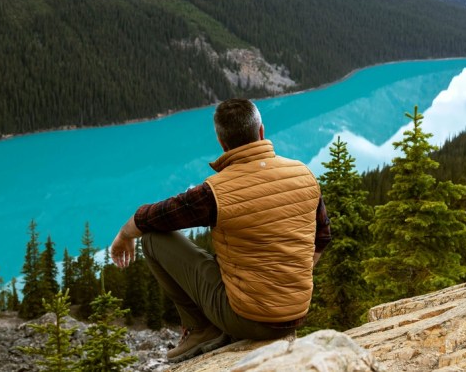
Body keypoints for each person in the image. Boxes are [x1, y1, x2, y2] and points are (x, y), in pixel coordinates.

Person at [110, 98, 331, 363]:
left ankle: (200, 329)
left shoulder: (214, 192)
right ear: (261, 132)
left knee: (153, 240)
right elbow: (323, 237)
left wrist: (124, 235)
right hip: (296, 313)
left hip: (247, 319)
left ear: (221, 142)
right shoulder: (303, 173)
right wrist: (286, 282)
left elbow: (155, 217)